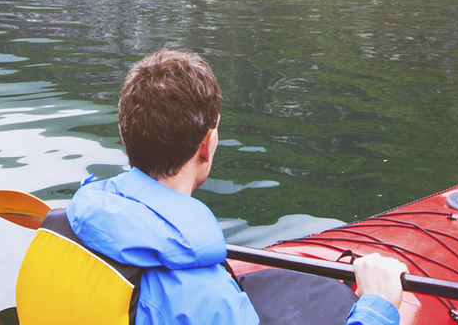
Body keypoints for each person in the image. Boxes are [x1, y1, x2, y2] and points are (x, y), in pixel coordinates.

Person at [68, 49, 408, 325]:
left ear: (124, 133)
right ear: (208, 144)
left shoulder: (61, 226)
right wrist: (377, 308)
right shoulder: (207, 301)